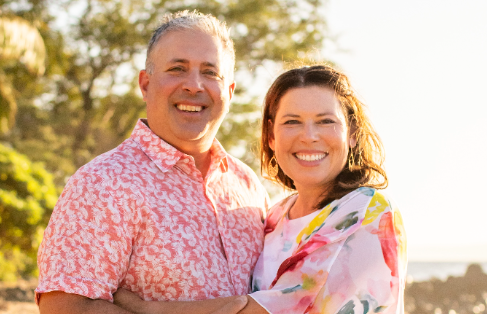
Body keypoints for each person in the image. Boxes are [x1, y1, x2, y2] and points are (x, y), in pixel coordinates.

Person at [113, 64, 407, 313]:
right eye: (292, 122)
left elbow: (281, 306)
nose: (309, 136)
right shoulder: (276, 215)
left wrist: (148, 308)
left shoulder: (367, 209)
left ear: (352, 135)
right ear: (271, 137)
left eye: (325, 121)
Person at [36, 10, 269, 314]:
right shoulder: (104, 182)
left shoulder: (248, 184)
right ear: (145, 84)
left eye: (211, 72)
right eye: (177, 69)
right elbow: (65, 306)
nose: (194, 85)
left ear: (230, 91)